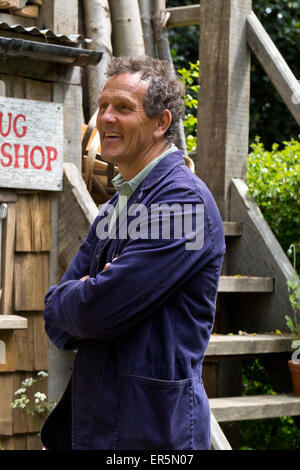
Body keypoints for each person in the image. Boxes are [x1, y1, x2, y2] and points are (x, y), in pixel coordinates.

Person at [40, 56, 225, 450]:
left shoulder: (182, 204)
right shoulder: (115, 206)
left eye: (123, 107)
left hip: (151, 432)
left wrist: (86, 293)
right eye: (103, 105)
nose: (105, 117)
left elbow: (93, 311)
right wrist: (84, 292)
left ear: (162, 123)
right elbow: (57, 319)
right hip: (97, 425)